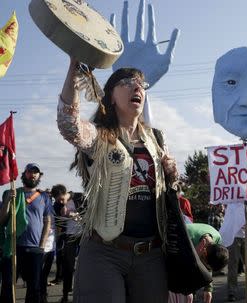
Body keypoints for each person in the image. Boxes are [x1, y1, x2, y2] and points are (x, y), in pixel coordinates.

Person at [57, 57, 179, 303]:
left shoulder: (157, 138)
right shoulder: (100, 136)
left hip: (151, 254)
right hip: (105, 253)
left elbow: (172, 190)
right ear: (111, 96)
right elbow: (68, 124)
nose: (137, 88)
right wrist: (73, 68)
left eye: (141, 84)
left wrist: (172, 175)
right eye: (127, 82)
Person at [0, 163, 53, 303]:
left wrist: (42, 246)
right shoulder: (11, 193)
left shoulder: (44, 197)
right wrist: (7, 201)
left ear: (39, 176)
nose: (33, 175)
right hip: (12, 247)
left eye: (36, 172)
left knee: (34, 288)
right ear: (25, 174)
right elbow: (2, 219)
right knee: (7, 286)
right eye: (30, 172)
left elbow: (47, 222)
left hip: (34, 249)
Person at [51, 185, 83, 303]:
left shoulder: (80, 197)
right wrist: (62, 214)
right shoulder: (57, 205)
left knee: (84, 265)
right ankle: (65, 294)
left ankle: (82, 293)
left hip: (84, 235)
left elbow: (91, 211)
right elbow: (57, 220)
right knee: (68, 265)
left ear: (66, 193)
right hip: (69, 237)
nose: (60, 201)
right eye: (57, 200)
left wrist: (76, 214)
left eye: (61, 199)